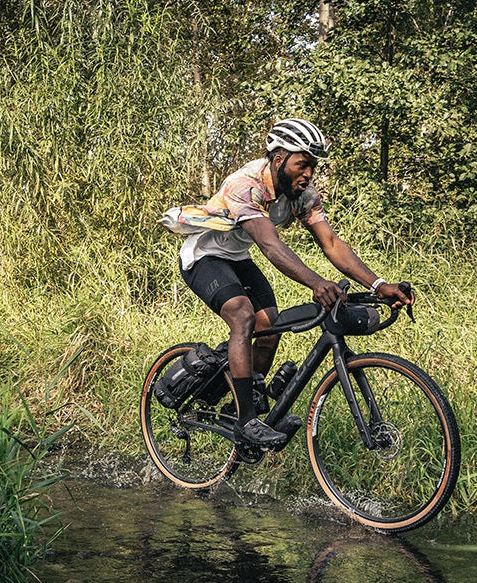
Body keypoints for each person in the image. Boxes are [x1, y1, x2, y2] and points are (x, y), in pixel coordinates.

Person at [169, 118, 413, 449]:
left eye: (313, 166)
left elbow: (331, 243)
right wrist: (315, 282)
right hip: (204, 257)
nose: (309, 173)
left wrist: (378, 284)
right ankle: (246, 423)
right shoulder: (247, 185)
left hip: (237, 259)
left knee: (269, 329)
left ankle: (241, 403)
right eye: (303, 164)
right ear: (280, 158)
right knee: (243, 316)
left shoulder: (302, 195)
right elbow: (271, 246)